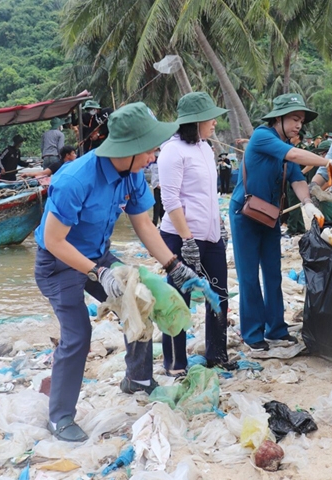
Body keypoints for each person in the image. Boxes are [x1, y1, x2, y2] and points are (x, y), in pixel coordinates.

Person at [33, 102, 207, 442]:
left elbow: (144, 226)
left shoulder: (133, 175)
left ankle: (137, 378)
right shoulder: (74, 179)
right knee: (78, 334)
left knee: (139, 301)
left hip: (98, 255)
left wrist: (175, 266)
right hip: (58, 263)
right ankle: (60, 416)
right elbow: (54, 241)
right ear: (127, 150)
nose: (153, 157)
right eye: (150, 150)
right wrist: (99, 275)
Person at [229, 93, 332, 351]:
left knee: (272, 273)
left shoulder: (284, 144)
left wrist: (308, 204)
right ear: (278, 119)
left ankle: (276, 329)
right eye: (294, 119)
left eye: (301, 120)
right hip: (244, 214)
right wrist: (328, 161)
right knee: (248, 276)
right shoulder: (262, 136)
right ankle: (253, 333)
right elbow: (293, 156)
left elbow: (297, 180)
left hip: (269, 215)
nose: (298, 125)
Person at [157, 92, 235, 376]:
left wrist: (219, 224)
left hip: (211, 236)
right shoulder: (172, 151)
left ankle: (217, 354)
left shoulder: (205, 148)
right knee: (179, 299)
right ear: (194, 121)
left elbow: (208, 194)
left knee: (219, 294)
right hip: (181, 238)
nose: (215, 122)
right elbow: (171, 200)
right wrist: (187, 238)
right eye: (209, 118)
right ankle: (176, 364)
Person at [149, 156, 164, 226]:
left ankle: (161, 221)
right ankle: (156, 221)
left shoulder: (162, 160)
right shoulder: (153, 161)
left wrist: (161, 183)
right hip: (156, 185)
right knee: (157, 204)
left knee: (161, 204)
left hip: (161, 186)